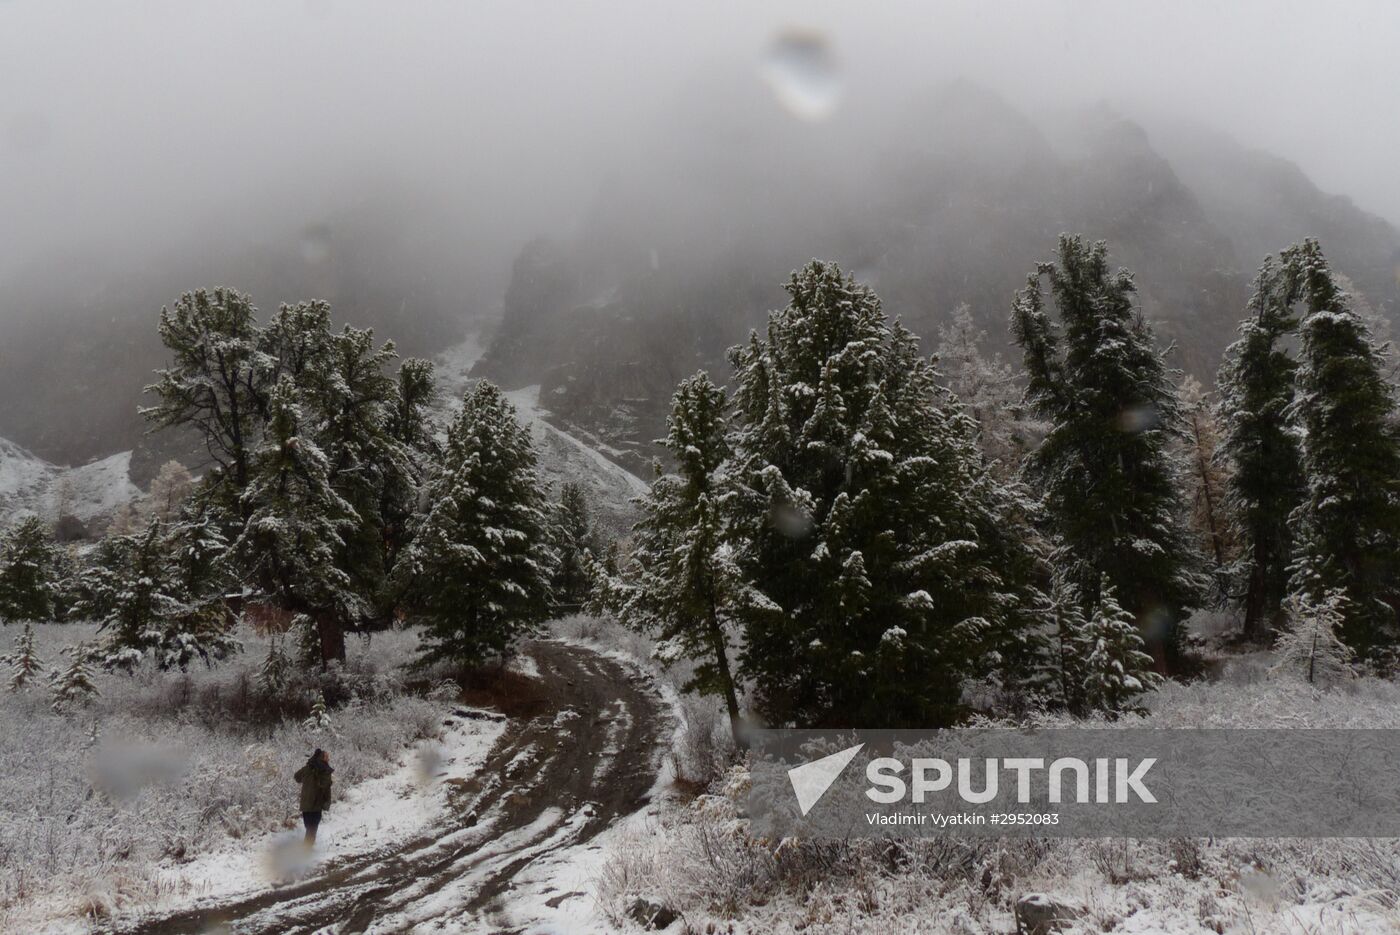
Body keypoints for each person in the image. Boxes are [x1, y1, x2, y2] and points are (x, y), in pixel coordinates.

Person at [293, 748, 334, 846]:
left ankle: (307, 847)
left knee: (309, 827)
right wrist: (327, 800)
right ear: (322, 758)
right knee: (313, 827)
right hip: (316, 802)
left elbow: (297, 777)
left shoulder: (308, 767)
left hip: (305, 802)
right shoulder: (324, 769)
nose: (328, 758)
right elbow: (325, 786)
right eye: (327, 756)